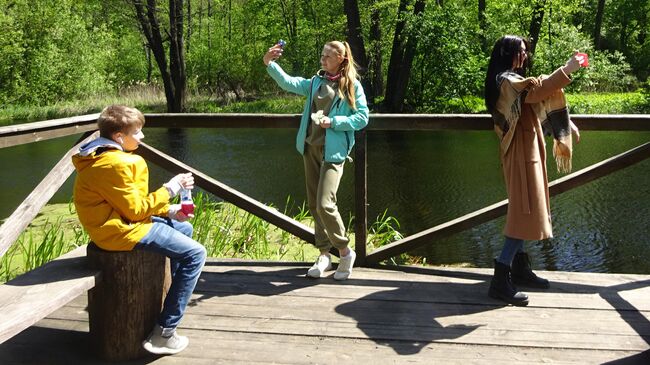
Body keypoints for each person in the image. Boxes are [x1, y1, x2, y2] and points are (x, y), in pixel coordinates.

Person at [72, 105, 206, 355]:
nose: (142, 137)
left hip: (117, 223)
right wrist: (171, 188)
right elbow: (134, 211)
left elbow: (127, 203)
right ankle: (164, 332)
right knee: (196, 254)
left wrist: (169, 210)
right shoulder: (116, 163)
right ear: (119, 137)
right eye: (138, 132)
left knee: (184, 228)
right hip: (118, 232)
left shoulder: (98, 155)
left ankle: (171, 299)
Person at [484, 35, 582, 306]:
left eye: (526, 51)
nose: (525, 56)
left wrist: (564, 123)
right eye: (521, 51)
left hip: (528, 152)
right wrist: (568, 69)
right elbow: (537, 92)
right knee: (524, 212)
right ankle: (500, 279)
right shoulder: (505, 81)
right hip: (520, 156)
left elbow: (536, 103)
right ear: (507, 53)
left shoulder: (513, 81)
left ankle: (519, 269)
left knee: (526, 209)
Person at [263, 40, 369, 280]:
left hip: (334, 152)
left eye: (327, 57)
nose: (322, 60)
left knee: (325, 203)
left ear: (341, 60)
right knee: (313, 204)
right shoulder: (315, 83)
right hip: (310, 148)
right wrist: (269, 63)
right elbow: (289, 82)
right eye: (322, 56)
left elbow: (362, 118)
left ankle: (344, 251)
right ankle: (324, 254)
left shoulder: (352, 85)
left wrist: (334, 123)